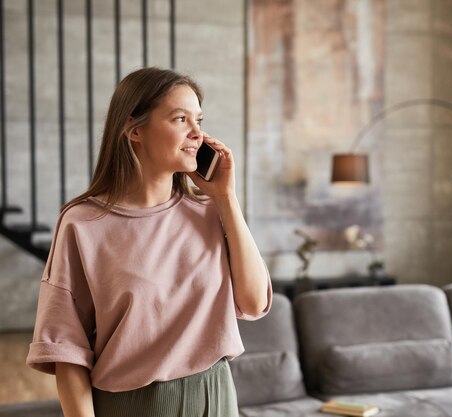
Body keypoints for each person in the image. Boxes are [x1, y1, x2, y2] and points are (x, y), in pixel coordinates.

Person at [26, 67, 272, 417]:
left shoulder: (210, 211)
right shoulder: (82, 224)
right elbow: (66, 347)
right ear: (135, 129)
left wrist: (226, 198)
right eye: (180, 119)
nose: (197, 133)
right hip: (130, 405)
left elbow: (254, 302)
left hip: (216, 398)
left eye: (199, 120)